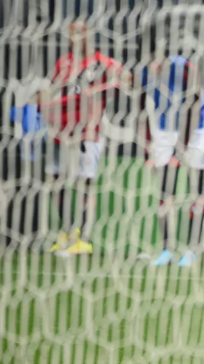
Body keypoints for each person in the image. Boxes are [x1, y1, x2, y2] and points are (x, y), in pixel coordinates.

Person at [38, 21, 124, 256]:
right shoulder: (63, 62)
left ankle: (84, 238)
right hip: (60, 131)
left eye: (81, 32)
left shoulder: (101, 62)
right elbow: (55, 89)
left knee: (85, 183)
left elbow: (122, 78)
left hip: (88, 132)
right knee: (56, 181)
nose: (76, 37)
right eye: (72, 33)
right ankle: (67, 232)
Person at [141, 42, 204, 267]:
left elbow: (193, 105)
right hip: (165, 130)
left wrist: (178, 149)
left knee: (196, 190)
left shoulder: (185, 68)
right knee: (164, 190)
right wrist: (148, 147)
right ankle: (166, 250)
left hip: (197, 129)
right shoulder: (145, 70)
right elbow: (141, 107)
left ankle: (193, 250)